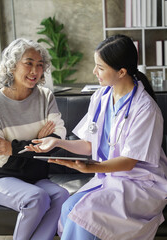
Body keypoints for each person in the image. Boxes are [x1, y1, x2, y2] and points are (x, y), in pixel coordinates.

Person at [25, 34, 167, 240]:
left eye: (100, 68)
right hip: (110, 178)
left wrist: (92, 167)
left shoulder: (145, 109)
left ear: (121, 72)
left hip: (140, 184)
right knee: (68, 208)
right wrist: (57, 142)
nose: (94, 72)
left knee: (84, 214)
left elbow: (129, 162)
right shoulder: (101, 97)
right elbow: (89, 145)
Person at [0, 38, 69, 240]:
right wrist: (39, 141)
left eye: (40, 65)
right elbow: (0, 159)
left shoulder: (46, 97)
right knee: (36, 198)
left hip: (36, 177)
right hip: (0, 178)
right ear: (12, 66)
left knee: (61, 196)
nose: (35, 71)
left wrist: (13, 147)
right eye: (28, 63)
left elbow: (59, 138)